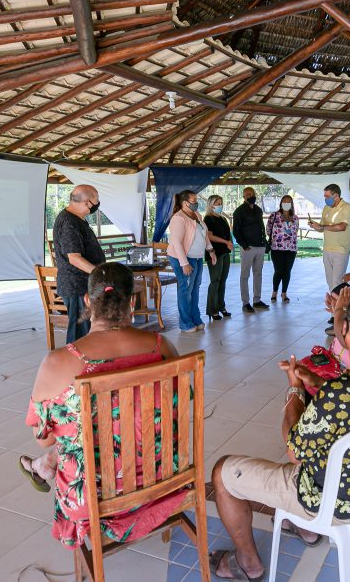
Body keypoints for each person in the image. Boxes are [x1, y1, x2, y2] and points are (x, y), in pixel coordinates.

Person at [209, 289, 350, 581]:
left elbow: (294, 451)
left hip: (328, 500)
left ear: (346, 329)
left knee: (222, 473)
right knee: (315, 448)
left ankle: (248, 563)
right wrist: (317, 381)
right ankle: (303, 527)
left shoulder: (338, 394)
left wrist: (295, 389)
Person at [21, 263, 187, 548]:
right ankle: (45, 465)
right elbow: (178, 410)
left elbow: (43, 438)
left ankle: (44, 466)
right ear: (132, 301)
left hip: (94, 496)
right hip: (164, 481)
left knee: (73, 434)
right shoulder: (163, 347)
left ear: (88, 301)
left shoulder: (58, 362)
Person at [52, 184, 105, 343]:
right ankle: (75, 358)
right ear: (88, 202)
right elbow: (74, 258)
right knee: (79, 334)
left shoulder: (75, 219)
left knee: (87, 330)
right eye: (97, 199)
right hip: (77, 286)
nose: (98, 203)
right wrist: (100, 273)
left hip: (84, 285)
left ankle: (88, 356)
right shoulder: (69, 223)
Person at [167, 190, 217, 333]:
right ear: (185, 203)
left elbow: (204, 235)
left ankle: (195, 318)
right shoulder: (178, 218)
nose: (197, 203)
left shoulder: (197, 215)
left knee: (195, 288)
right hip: (183, 258)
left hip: (197, 257)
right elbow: (176, 243)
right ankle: (185, 323)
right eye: (194, 201)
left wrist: (211, 250)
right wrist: (184, 263)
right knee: (186, 289)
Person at [308, 184, 350, 292]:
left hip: (341, 250)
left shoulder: (346, 207)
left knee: (337, 281)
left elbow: (342, 227)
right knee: (330, 281)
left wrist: (322, 227)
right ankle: (335, 301)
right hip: (327, 249)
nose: (325, 199)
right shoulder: (326, 208)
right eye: (324, 196)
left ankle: (338, 302)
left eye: (327, 196)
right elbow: (322, 228)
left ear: (336, 195)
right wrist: (315, 226)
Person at [232, 187, 269, 313]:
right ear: (243, 196)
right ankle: (246, 302)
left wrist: (265, 243)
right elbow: (236, 231)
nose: (250, 195)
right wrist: (243, 245)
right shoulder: (239, 211)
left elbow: (261, 227)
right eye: (247, 194)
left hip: (260, 246)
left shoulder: (258, 210)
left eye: (252, 193)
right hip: (248, 247)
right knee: (245, 275)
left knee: (258, 274)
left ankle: (257, 300)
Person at [204, 195, 234, 321]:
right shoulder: (208, 219)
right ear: (211, 205)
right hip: (214, 253)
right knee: (215, 281)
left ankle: (221, 306)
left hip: (225, 253)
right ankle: (213, 310)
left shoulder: (222, 218)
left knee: (222, 281)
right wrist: (225, 242)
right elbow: (209, 236)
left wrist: (230, 243)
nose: (220, 205)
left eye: (221, 203)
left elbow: (228, 234)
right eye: (217, 203)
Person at [267, 194, 299, 303]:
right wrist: (277, 237)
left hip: (291, 249)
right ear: (281, 203)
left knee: (287, 271)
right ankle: (274, 292)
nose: (286, 203)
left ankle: (284, 293)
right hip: (277, 248)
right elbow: (268, 230)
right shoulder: (274, 216)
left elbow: (295, 231)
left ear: (292, 204)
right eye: (284, 201)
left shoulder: (295, 218)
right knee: (279, 271)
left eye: (288, 202)